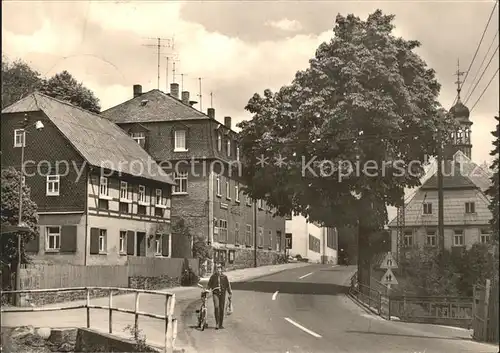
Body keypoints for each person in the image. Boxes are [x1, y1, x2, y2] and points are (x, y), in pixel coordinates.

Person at [207, 262, 232, 329]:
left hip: (223, 294)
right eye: (217, 268)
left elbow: (227, 286)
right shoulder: (213, 277)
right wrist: (207, 290)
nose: (218, 270)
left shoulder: (224, 277)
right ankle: (217, 323)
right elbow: (209, 284)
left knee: (221, 308)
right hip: (215, 293)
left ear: (221, 269)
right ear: (215, 269)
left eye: (219, 268)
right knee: (216, 306)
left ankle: (221, 324)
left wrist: (230, 293)